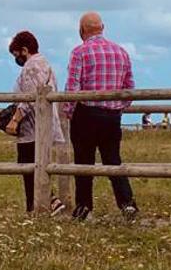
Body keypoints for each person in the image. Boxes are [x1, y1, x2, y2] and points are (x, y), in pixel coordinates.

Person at [64, 11, 138, 221]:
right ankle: (127, 204)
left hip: (86, 113)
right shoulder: (121, 52)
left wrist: (69, 111)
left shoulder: (80, 52)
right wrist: (118, 107)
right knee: (113, 160)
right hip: (112, 116)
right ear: (102, 27)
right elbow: (129, 88)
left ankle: (84, 207)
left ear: (82, 30)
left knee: (84, 162)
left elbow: (72, 87)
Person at [8, 31, 66, 215]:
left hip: (32, 128)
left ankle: (41, 204)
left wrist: (15, 119)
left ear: (24, 50)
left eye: (17, 54)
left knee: (29, 167)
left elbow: (30, 98)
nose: (17, 59)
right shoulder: (45, 64)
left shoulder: (31, 67)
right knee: (37, 165)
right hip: (43, 126)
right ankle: (44, 203)